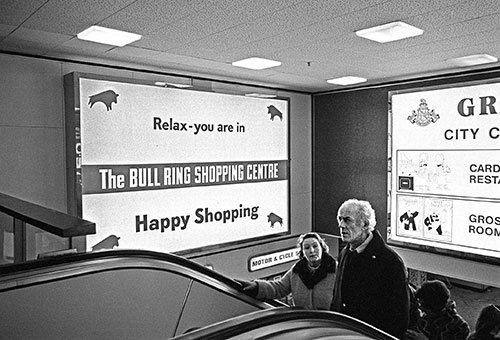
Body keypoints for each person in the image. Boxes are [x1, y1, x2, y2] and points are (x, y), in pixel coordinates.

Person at [330, 198, 410, 339]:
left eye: (347, 220)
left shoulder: (390, 262)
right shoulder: (345, 253)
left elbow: (399, 317)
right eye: (339, 219)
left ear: (365, 224)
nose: (341, 225)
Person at [239, 232, 337, 310]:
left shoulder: (336, 270)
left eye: (315, 246)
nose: (311, 251)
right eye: (307, 248)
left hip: (330, 325)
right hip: (304, 323)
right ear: (302, 252)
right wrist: (257, 287)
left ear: (322, 248)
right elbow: (279, 288)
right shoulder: (296, 271)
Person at [405, 280, 470, 340]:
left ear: (433, 307)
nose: (420, 308)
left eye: (423, 305)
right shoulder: (424, 320)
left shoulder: (460, 327)